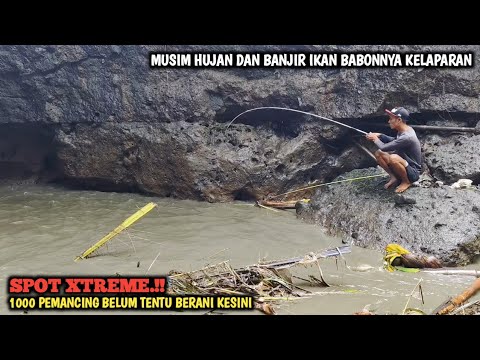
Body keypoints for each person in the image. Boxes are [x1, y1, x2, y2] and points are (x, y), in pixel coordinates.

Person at [365, 107, 422, 193]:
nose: (389, 121)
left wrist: (375, 139)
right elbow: (394, 140)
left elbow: (384, 147)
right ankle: (394, 177)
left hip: (413, 173)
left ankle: (406, 182)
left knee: (393, 158)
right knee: (379, 153)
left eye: (391, 119)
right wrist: (380, 135)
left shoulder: (407, 137)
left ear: (399, 120)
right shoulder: (404, 130)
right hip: (404, 164)